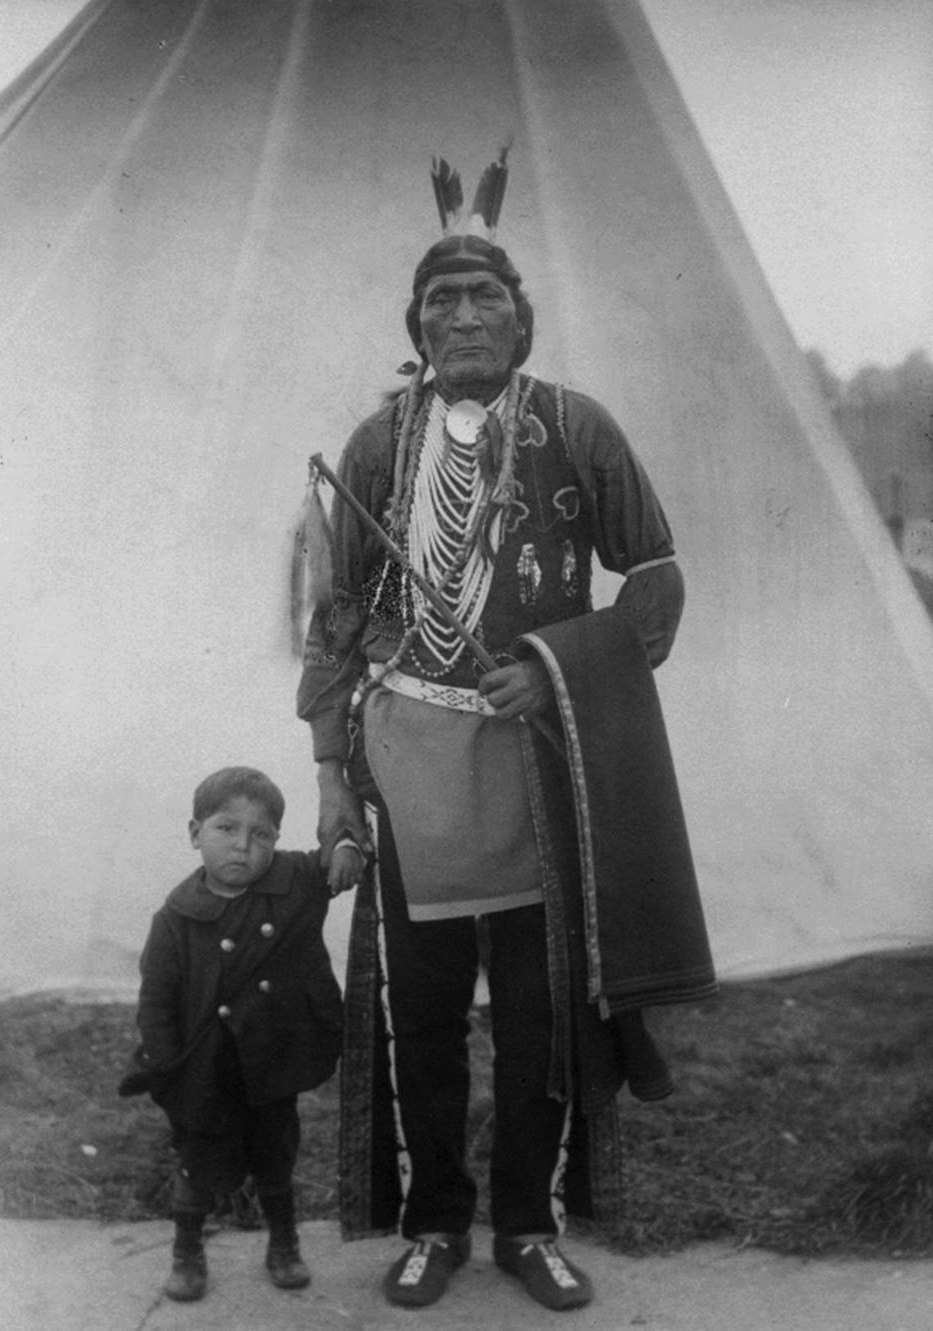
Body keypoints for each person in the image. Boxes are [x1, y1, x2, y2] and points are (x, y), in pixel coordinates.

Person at [296, 157, 716, 1312]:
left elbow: (659, 574)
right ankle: (435, 1219)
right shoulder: (379, 442)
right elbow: (336, 616)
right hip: (410, 769)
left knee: (538, 1011)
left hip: (541, 765)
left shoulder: (577, 426)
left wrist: (553, 666)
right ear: (419, 327)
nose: (466, 315)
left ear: (521, 320)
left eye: (486, 298)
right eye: (444, 301)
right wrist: (332, 771)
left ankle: (527, 1221)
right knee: (423, 1010)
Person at [128, 765, 363, 1302]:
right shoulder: (175, 918)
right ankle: (186, 1253)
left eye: (261, 834)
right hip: (205, 1067)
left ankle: (284, 1244)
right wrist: (168, 1065)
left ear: (277, 841)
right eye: (226, 829)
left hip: (271, 1063)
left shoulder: (295, 883)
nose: (243, 847)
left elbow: (335, 856)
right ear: (194, 834)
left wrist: (347, 842)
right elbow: (156, 999)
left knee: (275, 1158)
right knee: (197, 1162)